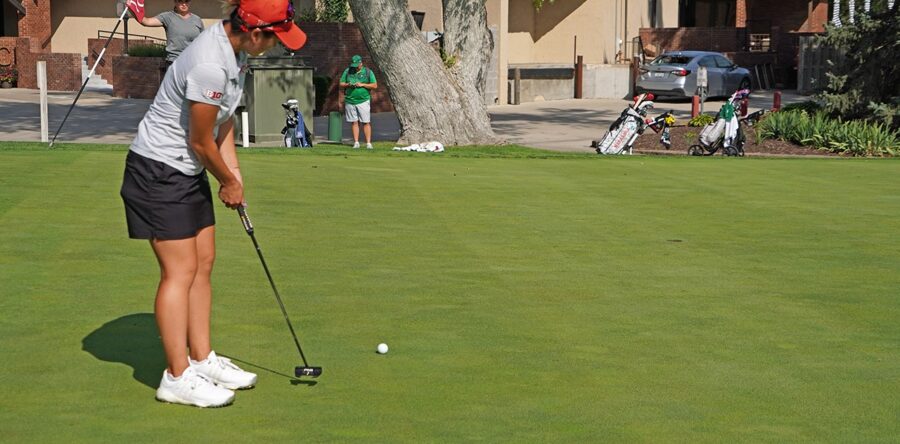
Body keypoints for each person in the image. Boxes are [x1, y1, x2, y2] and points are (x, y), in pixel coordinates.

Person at [119, 0, 306, 408]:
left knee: (203, 263)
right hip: (158, 170)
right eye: (276, 39)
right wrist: (224, 180)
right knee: (179, 271)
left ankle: (201, 359)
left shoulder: (234, 53)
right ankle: (176, 376)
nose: (278, 47)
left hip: (186, 171)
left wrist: (235, 179)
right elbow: (200, 140)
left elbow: (223, 125)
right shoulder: (209, 62)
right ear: (255, 32)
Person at [135, 0, 205, 66]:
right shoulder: (167, 17)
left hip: (193, 63)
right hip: (174, 62)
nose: (184, 4)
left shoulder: (197, 19)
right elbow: (146, 21)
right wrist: (132, 8)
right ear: (175, 2)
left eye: (186, 1)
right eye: (180, 1)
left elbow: (203, 42)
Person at [339, 55, 377, 149]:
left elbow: (374, 85)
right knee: (354, 122)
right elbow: (341, 83)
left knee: (366, 122)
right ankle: (356, 142)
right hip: (350, 100)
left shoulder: (368, 72)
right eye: (354, 65)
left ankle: (368, 143)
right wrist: (349, 84)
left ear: (361, 63)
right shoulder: (348, 71)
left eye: (357, 65)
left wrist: (362, 84)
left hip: (363, 100)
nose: (355, 67)